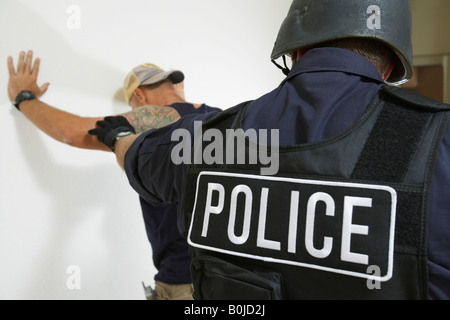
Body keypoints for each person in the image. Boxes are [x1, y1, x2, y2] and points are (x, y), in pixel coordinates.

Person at [90, 0, 450, 300]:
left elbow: (139, 160)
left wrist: (119, 136)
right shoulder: (437, 142)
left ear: (295, 50)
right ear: (390, 66)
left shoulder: (212, 139)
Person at [7, 51, 221, 300]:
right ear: (177, 85)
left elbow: (71, 132)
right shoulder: (222, 116)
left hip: (185, 282)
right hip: (236, 276)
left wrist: (23, 98)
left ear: (139, 96)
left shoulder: (153, 119)